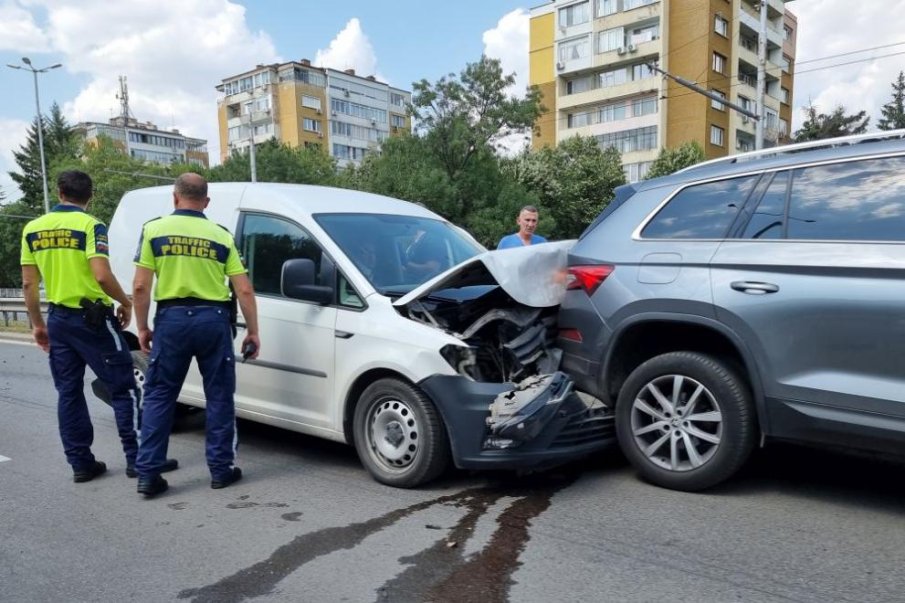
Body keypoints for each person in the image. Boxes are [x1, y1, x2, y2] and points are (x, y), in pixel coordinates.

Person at [19, 170, 158, 483]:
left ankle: (81, 463)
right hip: (92, 320)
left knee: (68, 392)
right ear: (90, 196)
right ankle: (139, 461)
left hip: (58, 319)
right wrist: (124, 303)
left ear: (59, 193)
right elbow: (101, 275)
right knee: (123, 388)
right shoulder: (91, 225)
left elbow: (28, 283)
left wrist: (39, 325)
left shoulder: (33, 229)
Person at [131, 173, 260, 498]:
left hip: (171, 320)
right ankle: (221, 470)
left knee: (160, 394)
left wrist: (143, 326)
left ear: (175, 198)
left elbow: (141, 286)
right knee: (218, 395)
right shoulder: (221, 236)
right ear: (206, 202)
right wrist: (254, 331)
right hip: (212, 321)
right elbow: (243, 288)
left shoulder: (154, 230)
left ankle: (148, 473)